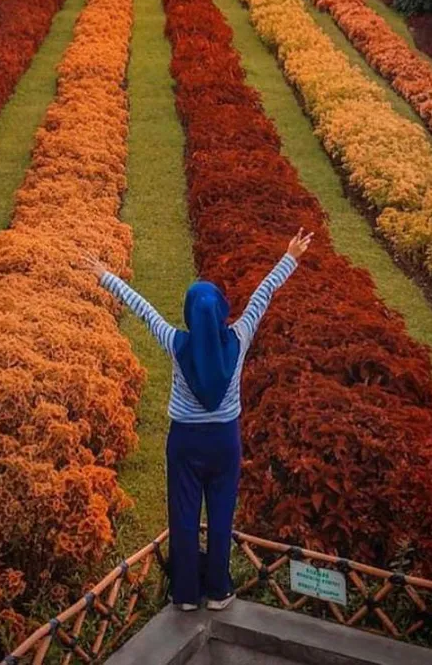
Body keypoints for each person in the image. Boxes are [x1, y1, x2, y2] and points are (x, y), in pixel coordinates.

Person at [80, 228, 314, 611]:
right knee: (221, 516)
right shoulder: (239, 336)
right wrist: (290, 256)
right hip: (225, 442)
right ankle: (219, 592)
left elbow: (143, 309)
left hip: (185, 443)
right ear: (222, 311)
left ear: (190, 314)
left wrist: (106, 276)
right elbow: (262, 296)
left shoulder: (176, 343)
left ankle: (185, 594)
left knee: (184, 516)